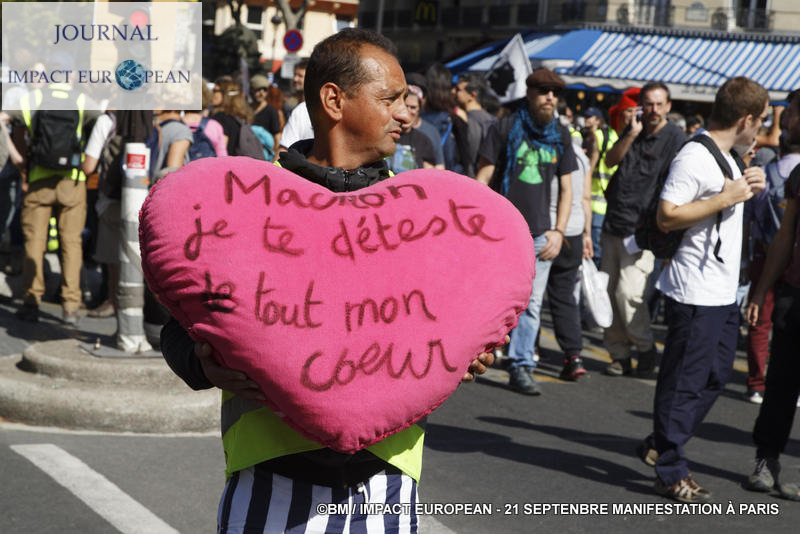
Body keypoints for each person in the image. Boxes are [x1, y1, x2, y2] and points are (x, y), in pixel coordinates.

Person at [160, 28, 496, 533]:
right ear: (334, 101)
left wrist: (469, 349)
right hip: (270, 480)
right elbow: (179, 322)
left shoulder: (421, 216)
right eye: (389, 99)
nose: (406, 115)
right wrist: (201, 360)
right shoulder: (248, 204)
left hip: (386, 481)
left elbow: (447, 315)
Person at [643, 76, 768, 503]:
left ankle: (662, 441)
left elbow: (727, 205)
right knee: (684, 383)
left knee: (714, 377)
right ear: (745, 119)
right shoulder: (694, 156)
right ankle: (671, 467)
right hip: (693, 291)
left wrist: (748, 186)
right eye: (760, 120)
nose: (761, 129)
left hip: (722, 291)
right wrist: (726, 197)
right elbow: (667, 216)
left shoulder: (728, 157)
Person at [476, 68, 577, 395]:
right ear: (529, 92)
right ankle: (475, 352)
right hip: (500, 233)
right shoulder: (504, 127)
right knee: (491, 295)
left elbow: (567, 188)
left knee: (531, 303)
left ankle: (521, 365)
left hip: (539, 234)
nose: (551, 98)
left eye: (555, 93)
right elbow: (483, 178)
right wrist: (475, 224)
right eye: (544, 91)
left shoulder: (560, 135)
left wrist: (559, 232)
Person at [600, 82, 685, 377]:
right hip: (613, 223)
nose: (653, 110)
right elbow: (609, 161)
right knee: (609, 294)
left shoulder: (676, 138)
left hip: (642, 233)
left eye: (659, 104)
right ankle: (619, 355)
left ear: (668, 106)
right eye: (648, 103)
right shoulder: (633, 129)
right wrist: (631, 134)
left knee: (629, 294)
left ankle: (645, 349)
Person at [743, 88, 800, 501]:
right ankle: (767, 459)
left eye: (792, 113)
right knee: (780, 383)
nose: (787, 121)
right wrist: (761, 289)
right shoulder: (798, 175)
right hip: (794, 295)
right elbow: (784, 238)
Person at [9, 79, 100, 324]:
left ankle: (31, 301)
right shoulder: (82, 99)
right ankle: (71, 306)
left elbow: (4, 119)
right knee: (71, 243)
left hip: (38, 179)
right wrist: (89, 160)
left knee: (34, 243)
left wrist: (20, 161)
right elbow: (104, 121)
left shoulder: (33, 98)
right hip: (72, 181)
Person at [584, 105, 620, 268]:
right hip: (608, 200)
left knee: (593, 248)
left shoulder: (597, 136)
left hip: (594, 199)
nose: (586, 120)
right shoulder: (615, 136)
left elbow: (590, 168)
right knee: (599, 247)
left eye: (590, 117)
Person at [454, 72, 496, 178]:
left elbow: (469, 155)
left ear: (472, 95)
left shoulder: (467, 121)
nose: (453, 92)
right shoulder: (493, 120)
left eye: (458, 90)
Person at [389, 91, 436, 173]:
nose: (408, 110)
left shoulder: (423, 141)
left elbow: (429, 175)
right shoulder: (386, 135)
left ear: (419, 110)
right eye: (405, 106)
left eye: (413, 107)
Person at [276, 61, 314, 158]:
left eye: (300, 76)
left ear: (310, 79)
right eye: (295, 75)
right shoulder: (292, 106)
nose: (295, 79)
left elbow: (283, 150)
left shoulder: (301, 110)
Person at [249, 74, 282, 149]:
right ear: (251, 90)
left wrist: (275, 153)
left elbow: (277, 135)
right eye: (258, 89)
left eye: (265, 90)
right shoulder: (245, 110)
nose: (261, 93)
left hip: (265, 153)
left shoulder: (272, 111)